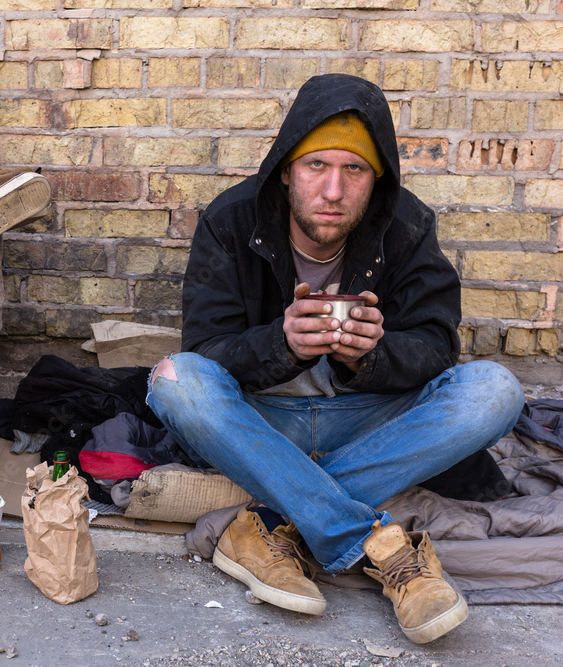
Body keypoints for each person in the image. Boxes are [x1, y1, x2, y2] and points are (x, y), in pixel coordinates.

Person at [146, 73, 526, 644]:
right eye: (316, 166)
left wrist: (373, 356)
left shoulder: (408, 225)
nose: (333, 190)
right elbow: (206, 349)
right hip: (263, 420)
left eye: (355, 170)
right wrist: (282, 344)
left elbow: (437, 347)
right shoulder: (232, 221)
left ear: (377, 180)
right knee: (175, 381)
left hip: (368, 421)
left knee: (495, 389)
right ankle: (383, 545)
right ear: (286, 170)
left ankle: (273, 523)